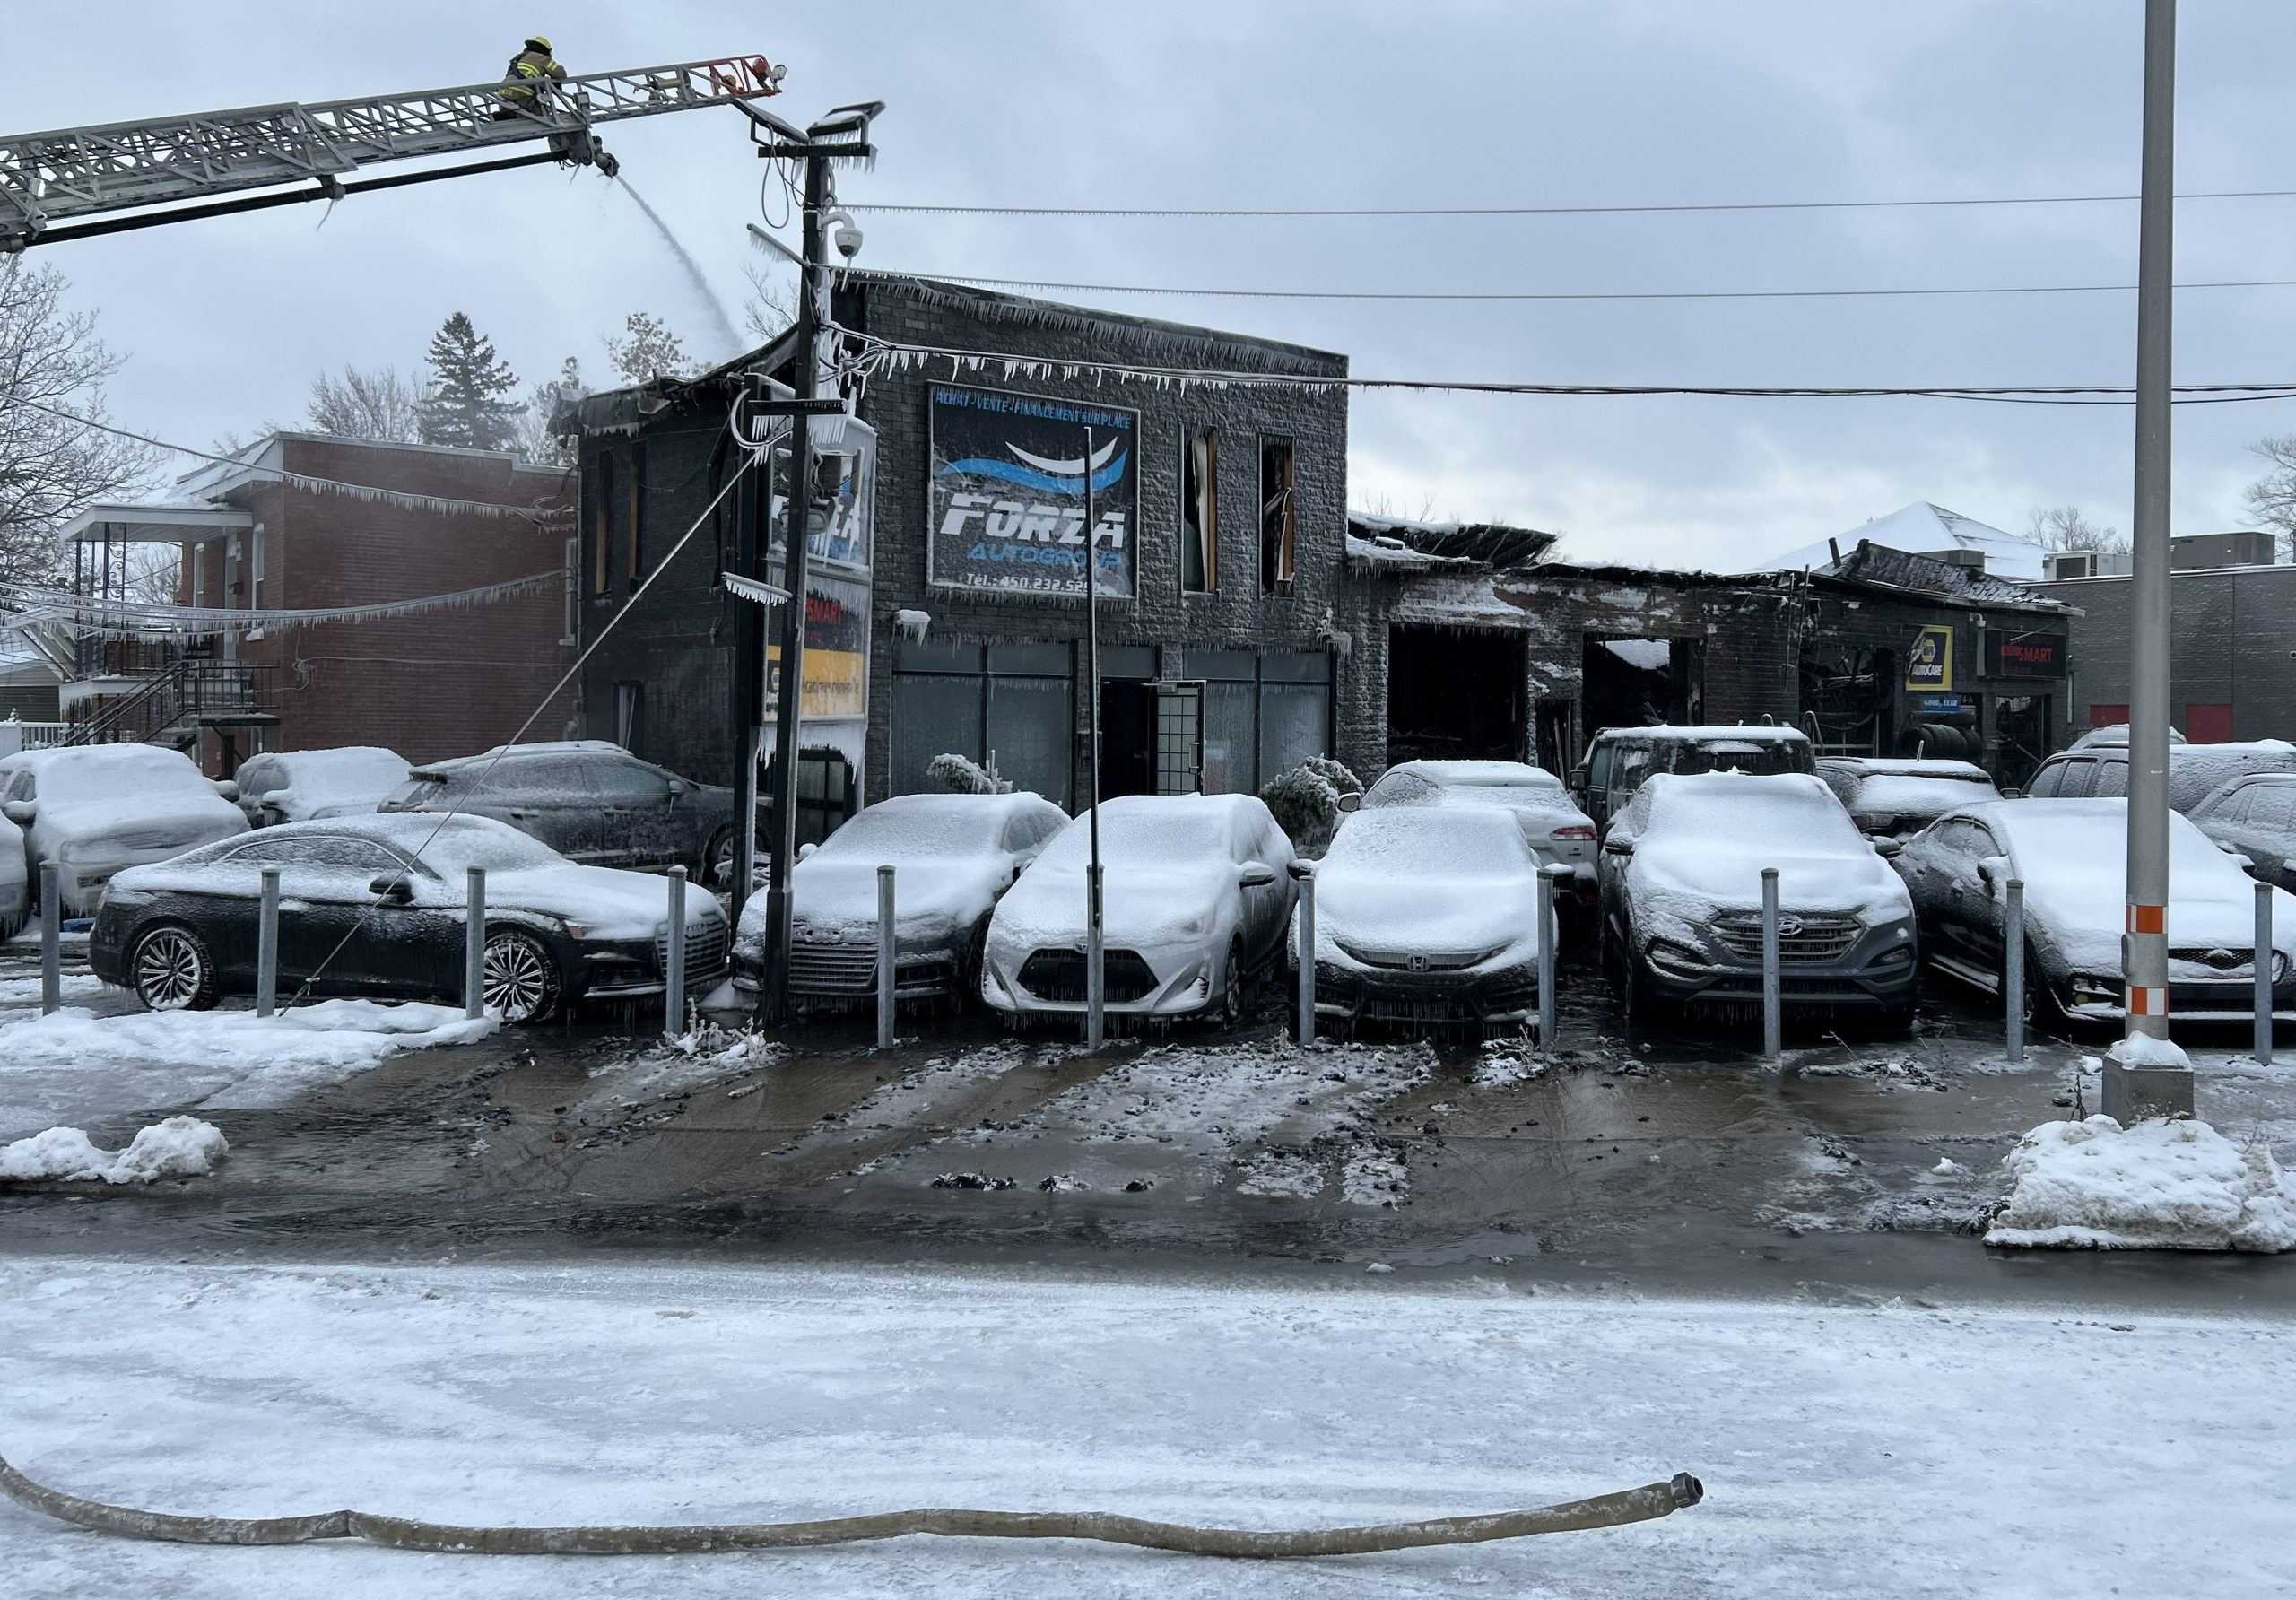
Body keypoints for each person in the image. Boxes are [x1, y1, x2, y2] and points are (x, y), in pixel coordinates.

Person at [496, 35, 567, 117]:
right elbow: (561, 73)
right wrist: (553, 82)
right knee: (544, 112)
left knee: (511, 113)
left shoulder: (516, 59)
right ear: (545, 50)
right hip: (522, 93)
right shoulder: (542, 58)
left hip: (503, 94)